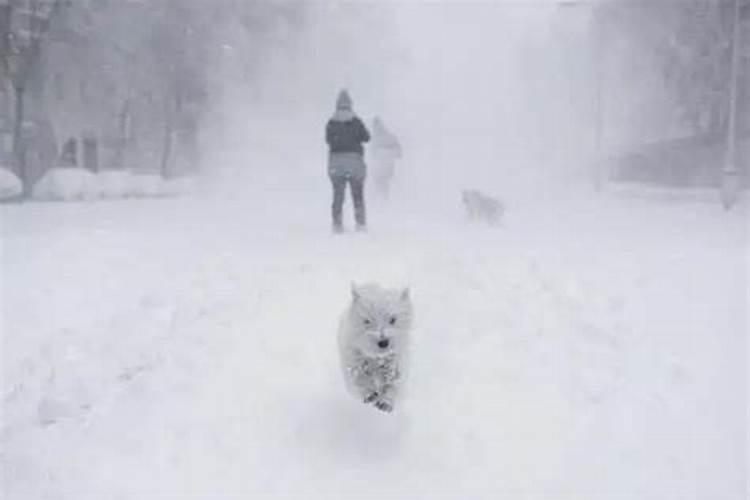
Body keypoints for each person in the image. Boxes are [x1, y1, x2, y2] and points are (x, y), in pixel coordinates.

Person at [326, 90, 370, 233]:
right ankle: (360, 224)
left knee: (338, 195)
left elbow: (328, 140)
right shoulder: (356, 121)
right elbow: (366, 137)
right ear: (350, 104)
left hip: (336, 162)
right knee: (357, 194)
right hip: (354, 161)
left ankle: (337, 224)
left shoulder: (331, 122)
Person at [370, 117, 402, 198]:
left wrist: (383, 153)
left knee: (382, 187)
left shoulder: (379, 138)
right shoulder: (388, 137)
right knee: (383, 188)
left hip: (382, 169)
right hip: (383, 169)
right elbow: (399, 152)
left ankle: (383, 204)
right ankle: (383, 203)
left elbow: (399, 152)